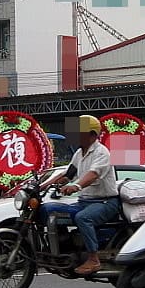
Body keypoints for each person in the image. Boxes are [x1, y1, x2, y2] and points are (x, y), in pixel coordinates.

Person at [50, 115, 119, 275]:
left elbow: (93, 174)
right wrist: (42, 185)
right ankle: (63, 250)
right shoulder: (79, 154)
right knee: (51, 209)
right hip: (84, 201)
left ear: (92, 134)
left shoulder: (102, 152)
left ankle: (94, 259)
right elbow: (68, 174)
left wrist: (76, 185)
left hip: (105, 202)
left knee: (83, 218)